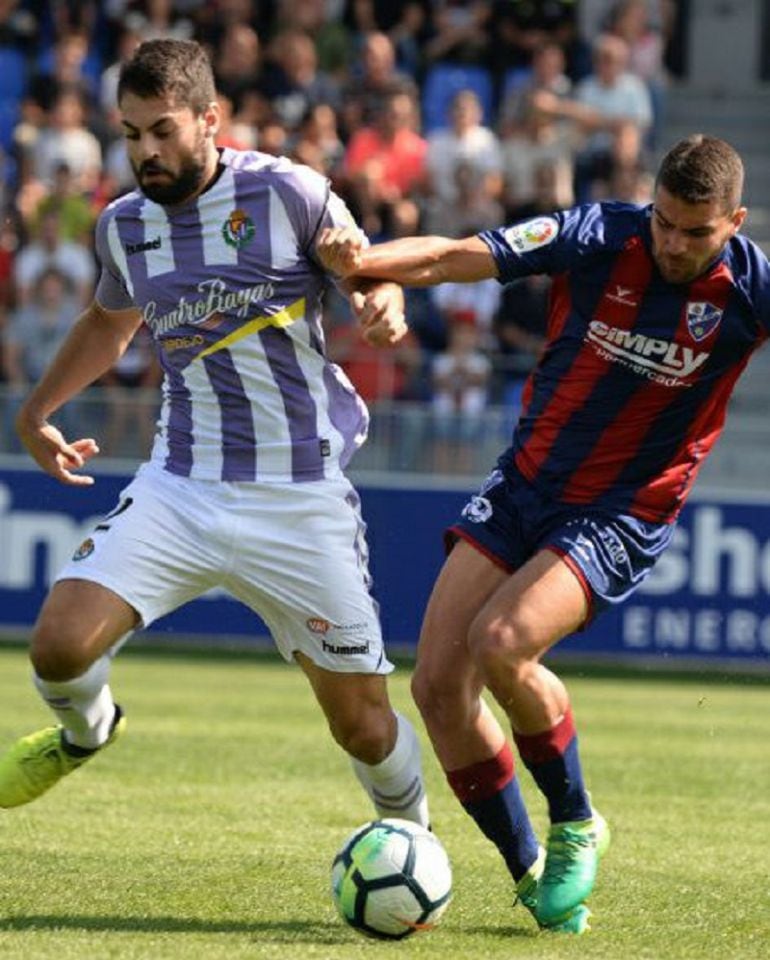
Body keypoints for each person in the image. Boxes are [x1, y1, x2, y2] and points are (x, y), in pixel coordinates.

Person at [316, 134, 770, 932]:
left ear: (733, 222)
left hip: (622, 509)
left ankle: (578, 821)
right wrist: (361, 262)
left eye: (694, 232)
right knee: (436, 689)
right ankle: (530, 870)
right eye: (663, 222)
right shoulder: (599, 236)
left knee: (502, 643)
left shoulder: (753, 290)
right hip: (525, 485)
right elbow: (458, 255)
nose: (671, 243)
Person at [0, 39, 431, 840]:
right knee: (58, 646)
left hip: (298, 493)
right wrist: (38, 410)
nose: (144, 152)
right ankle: (88, 732)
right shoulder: (125, 225)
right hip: (182, 484)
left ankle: (415, 845)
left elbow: (361, 269)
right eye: (129, 134)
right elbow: (109, 321)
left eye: (161, 130)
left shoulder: (290, 192)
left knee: (364, 727)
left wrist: (382, 304)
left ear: (210, 118)